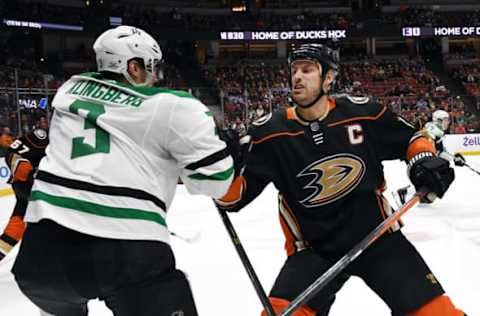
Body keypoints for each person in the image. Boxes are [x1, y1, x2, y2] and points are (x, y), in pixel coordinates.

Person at [216, 44, 465, 315]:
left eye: (308, 70)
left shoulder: (363, 113)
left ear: (329, 78)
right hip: (314, 251)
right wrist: (221, 172)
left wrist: (422, 161)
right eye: (294, 70)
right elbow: (233, 199)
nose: (297, 77)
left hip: (378, 239)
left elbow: (413, 138)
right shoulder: (269, 133)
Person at [12, 25, 233, 316]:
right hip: (125, 248)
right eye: (151, 67)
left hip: (41, 255)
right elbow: (214, 181)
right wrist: (228, 152)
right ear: (133, 66)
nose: (156, 76)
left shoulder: (68, 90)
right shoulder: (172, 105)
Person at [394, 109, 466, 205]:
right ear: (438, 120)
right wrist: (453, 159)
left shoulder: (434, 131)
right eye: (445, 119)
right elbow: (439, 152)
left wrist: (453, 158)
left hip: (416, 161)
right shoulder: (432, 130)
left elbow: (439, 152)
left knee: (432, 179)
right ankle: (411, 193)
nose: (448, 122)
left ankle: (406, 192)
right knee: (440, 174)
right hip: (419, 160)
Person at [0, 127, 48, 261]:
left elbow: (13, 153)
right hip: (33, 186)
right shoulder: (51, 136)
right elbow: (15, 154)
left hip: (25, 187)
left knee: (17, 222)